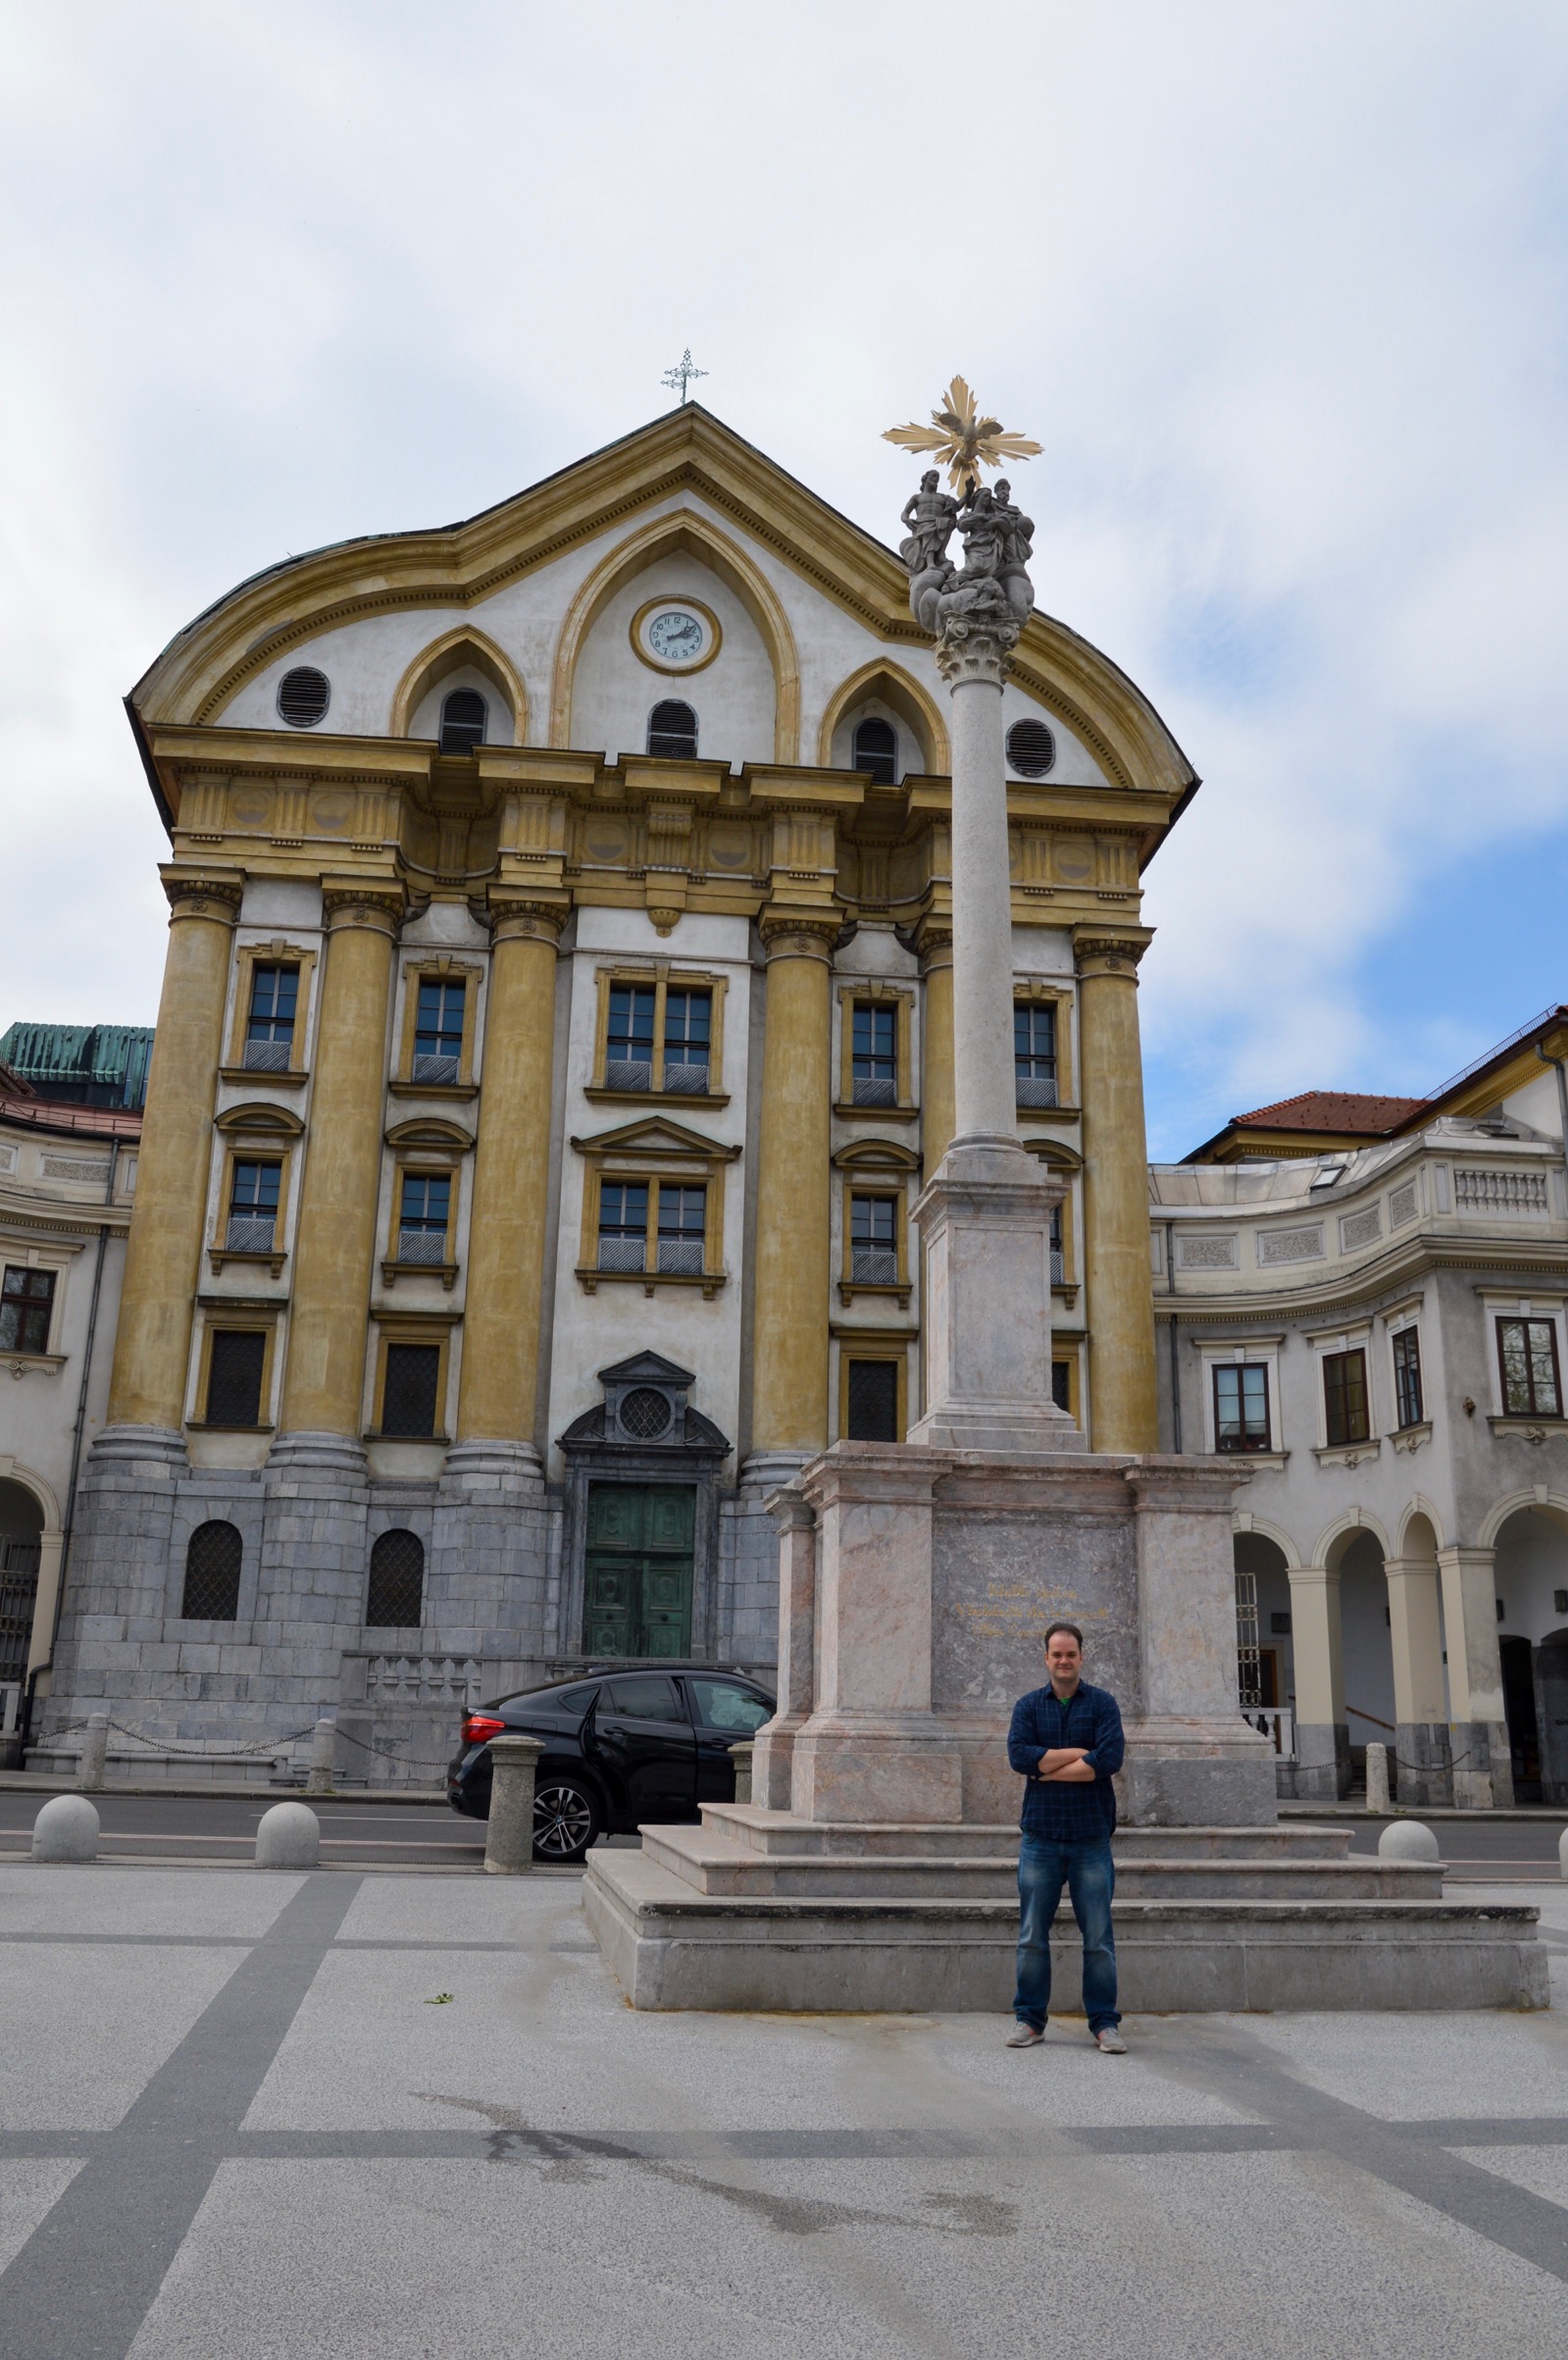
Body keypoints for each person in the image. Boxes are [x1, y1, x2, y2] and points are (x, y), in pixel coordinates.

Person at [1004, 1620, 1126, 2053]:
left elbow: (1109, 1758)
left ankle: (1104, 2024)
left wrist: (1047, 1766)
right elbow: (1020, 1757)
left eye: (1070, 1653)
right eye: (1056, 1654)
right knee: (1032, 1936)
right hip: (1041, 1838)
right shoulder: (1027, 1707)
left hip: (1091, 1839)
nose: (1063, 1660)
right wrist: (1080, 1754)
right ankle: (1030, 2021)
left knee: (1098, 1939)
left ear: (1081, 1656)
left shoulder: (1104, 1705)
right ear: (1046, 1658)